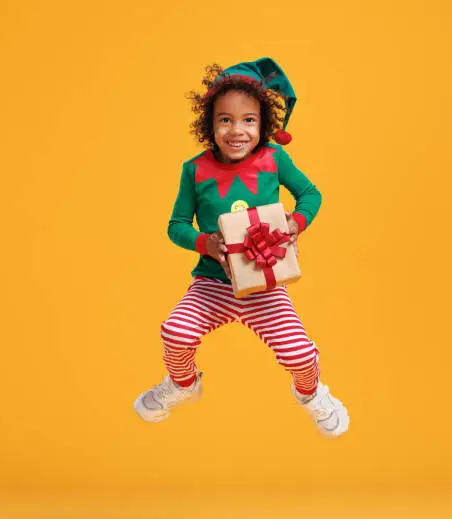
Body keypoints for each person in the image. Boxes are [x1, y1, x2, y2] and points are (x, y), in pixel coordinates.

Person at [134, 58, 349, 438]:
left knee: (298, 354)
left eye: (249, 120)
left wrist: (294, 224)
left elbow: (310, 195)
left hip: (266, 286)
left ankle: (313, 394)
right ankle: (183, 385)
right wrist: (205, 243)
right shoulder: (194, 170)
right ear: (209, 124)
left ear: (263, 124)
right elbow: (177, 226)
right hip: (212, 285)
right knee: (175, 333)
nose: (238, 130)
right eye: (225, 120)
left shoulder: (274, 159)